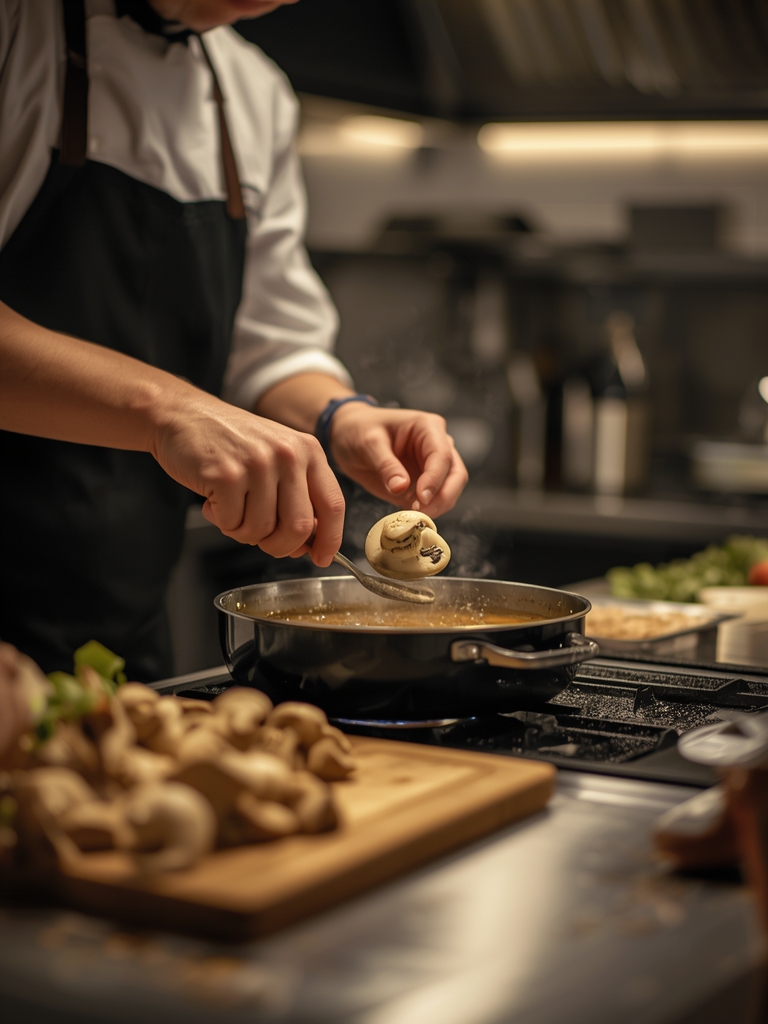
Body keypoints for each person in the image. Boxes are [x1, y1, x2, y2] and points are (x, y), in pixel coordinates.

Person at [0, 0, 468, 680]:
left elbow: (267, 343)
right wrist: (170, 411)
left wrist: (343, 417)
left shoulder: (253, 94)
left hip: (115, 619)